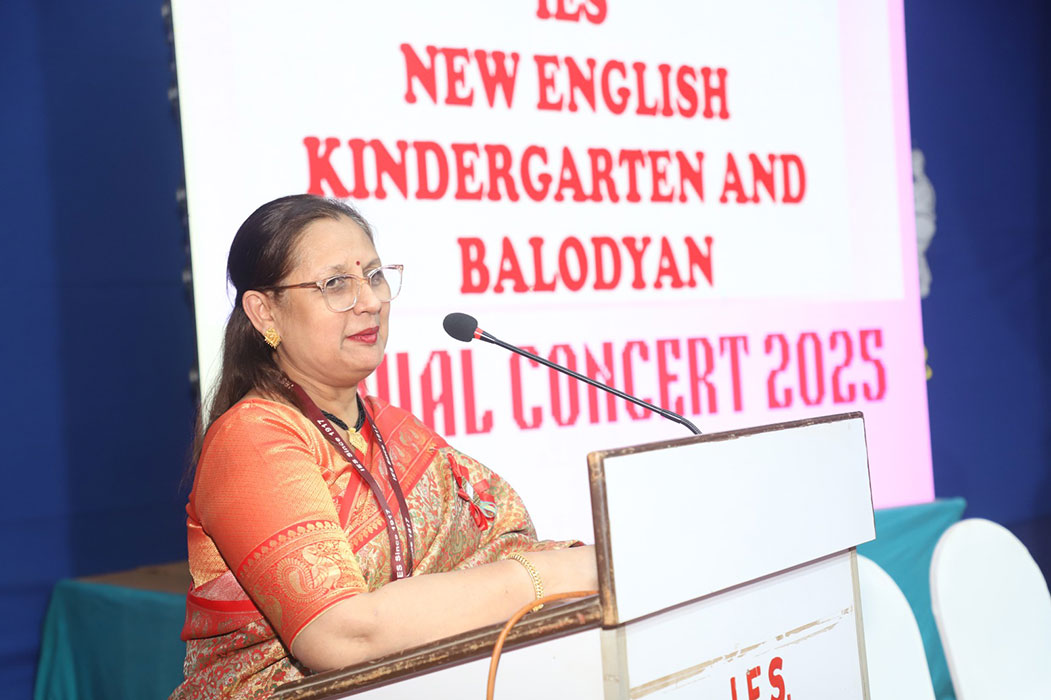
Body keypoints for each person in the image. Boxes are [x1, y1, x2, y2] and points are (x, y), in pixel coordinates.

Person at [171, 195, 597, 699]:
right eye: (336, 284)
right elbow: (342, 635)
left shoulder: (394, 430)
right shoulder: (254, 438)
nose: (370, 301)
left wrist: (595, 560)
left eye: (374, 276)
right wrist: (542, 578)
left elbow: (500, 540)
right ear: (265, 312)